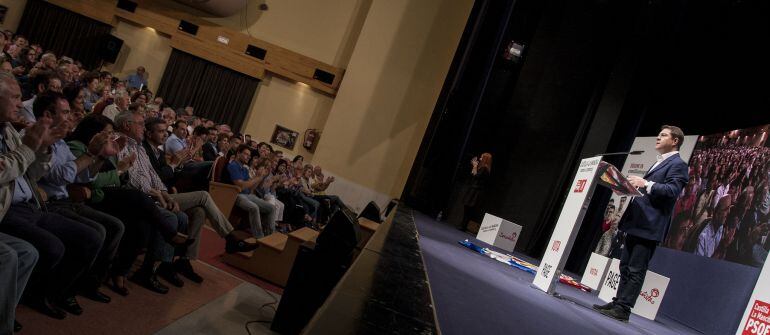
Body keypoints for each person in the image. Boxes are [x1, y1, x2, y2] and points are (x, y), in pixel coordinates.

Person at [593, 125, 689, 322]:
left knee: (636, 268)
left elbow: (671, 191)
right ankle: (618, 301)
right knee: (625, 266)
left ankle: (624, 309)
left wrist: (645, 183)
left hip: (650, 226)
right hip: (637, 222)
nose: (658, 137)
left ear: (675, 141)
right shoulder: (659, 162)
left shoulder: (679, 164)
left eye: (663, 135)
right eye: (659, 134)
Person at [459, 153, 492, 231]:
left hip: (476, 191)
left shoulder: (484, 168)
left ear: (485, 159)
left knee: (469, 209)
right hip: (473, 189)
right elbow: (473, 174)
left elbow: (476, 176)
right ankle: (463, 225)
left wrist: (474, 166)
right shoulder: (483, 167)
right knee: (467, 208)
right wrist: (474, 166)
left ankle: (464, 226)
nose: (480, 158)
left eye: (481, 157)